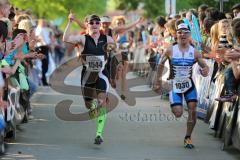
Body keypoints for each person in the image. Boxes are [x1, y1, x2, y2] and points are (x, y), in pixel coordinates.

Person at [63, 13, 116, 145]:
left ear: (100, 25)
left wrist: (112, 51)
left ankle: (99, 134)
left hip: (102, 75)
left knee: (102, 101)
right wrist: (70, 22)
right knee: (89, 105)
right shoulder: (83, 39)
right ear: (87, 25)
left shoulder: (107, 38)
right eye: (92, 23)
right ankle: (92, 108)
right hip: (87, 76)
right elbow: (66, 38)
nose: (95, 25)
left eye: (97, 22)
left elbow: (114, 47)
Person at [157, 23, 209, 149]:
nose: (183, 34)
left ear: (189, 34)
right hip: (175, 85)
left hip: (189, 84)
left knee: (192, 110)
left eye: (185, 32)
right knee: (178, 113)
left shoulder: (195, 52)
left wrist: (205, 71)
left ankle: (188, 137)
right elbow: (160, 64)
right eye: (180, 32)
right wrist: (157, 80)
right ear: (176, 35)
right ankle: (175, 106)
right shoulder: (170, 49)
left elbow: (205, 66)